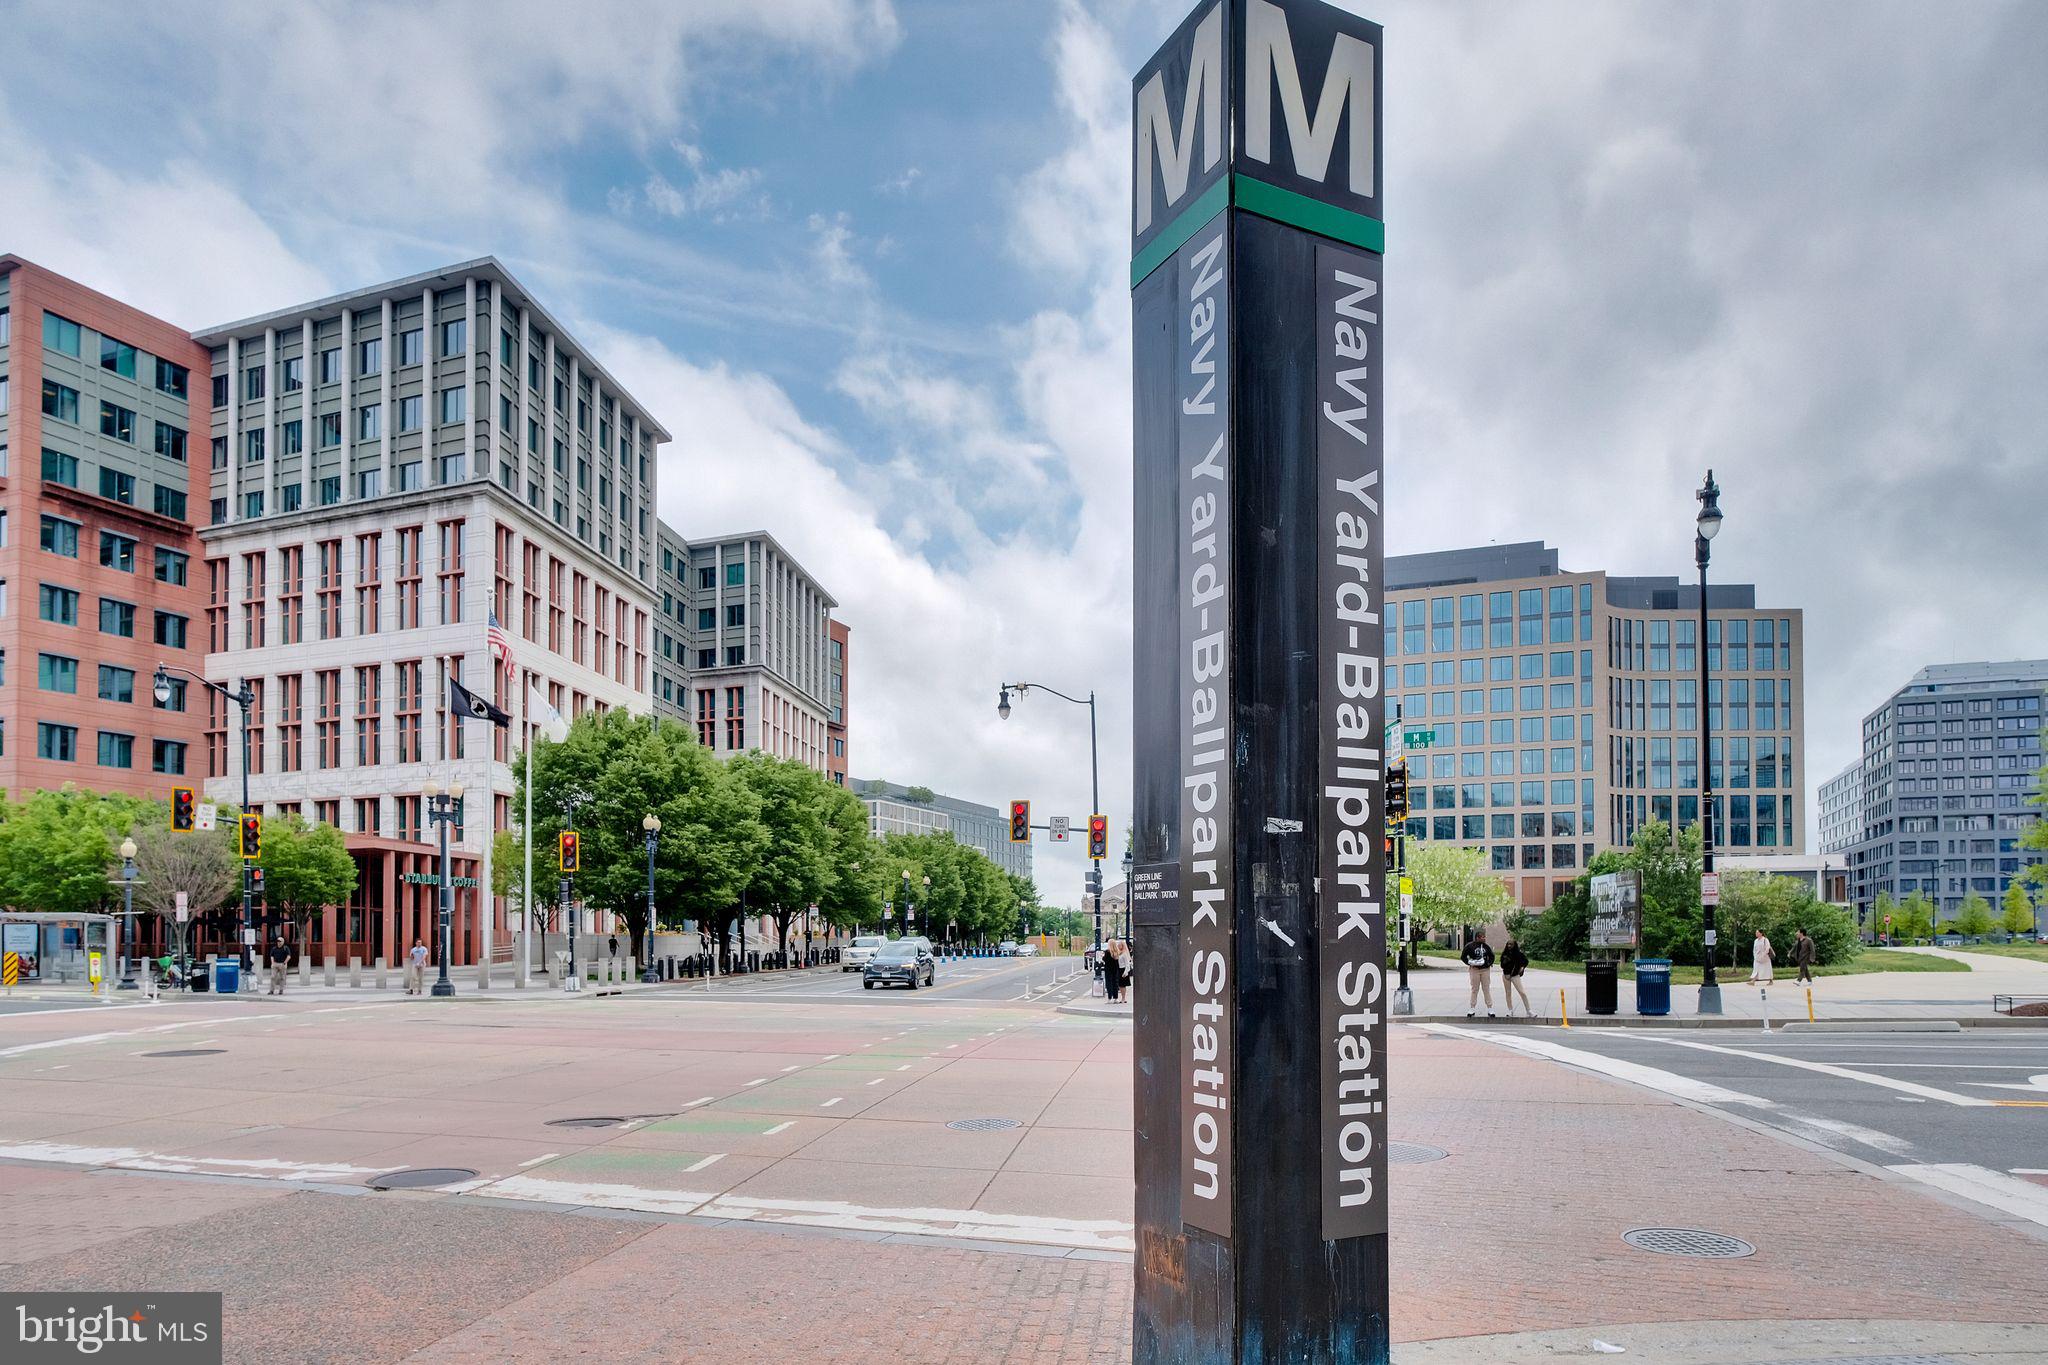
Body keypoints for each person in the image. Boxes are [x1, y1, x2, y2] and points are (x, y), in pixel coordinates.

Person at [1462, 933, 1496, 1017]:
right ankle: (1472, 1008)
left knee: (1486, 989)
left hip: (1485, 970)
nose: (1484, 938)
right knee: (1474, 989)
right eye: (1482, 937)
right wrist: (1469, 962)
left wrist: (1488, 963)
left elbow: (1492, 956)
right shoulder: (1470, 946)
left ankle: (1490, 1008)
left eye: (1484, 937)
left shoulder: (1486, 946)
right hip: (1475, 970)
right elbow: (1463, 956)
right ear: (1477, 938)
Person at [1499, 937, 1531, 1017]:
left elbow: (1525, 961)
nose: (1509, 946)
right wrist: (1505, 961)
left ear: (1514, 945)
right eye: (1508, 944)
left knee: (1522, 992)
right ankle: (1510, 1010)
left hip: (1515, 975)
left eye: (1511, 944)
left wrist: (1522, 967)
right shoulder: (1505, 954)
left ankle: (1529, 1011)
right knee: (1508, 993)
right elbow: (1502, 965)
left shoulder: (1519, 954)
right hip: (1506, 975)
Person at [1102, 939, 1125, 1003]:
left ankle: (1109, 998)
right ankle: (1116, 998)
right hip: (1115, 969)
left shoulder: (1107, 952)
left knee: (1109, 983)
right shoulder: (1117, 952)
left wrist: (1102, 957)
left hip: (1108, 970)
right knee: (1115, 983)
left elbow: (1105, 960)